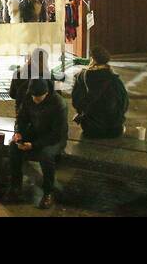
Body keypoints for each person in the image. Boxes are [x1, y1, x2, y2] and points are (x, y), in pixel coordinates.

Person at [7, 79, 68, 209]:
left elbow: (57, 134)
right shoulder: (29, 97)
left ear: (46, 93)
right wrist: (18, 133)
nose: (35, 100)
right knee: (13, 146)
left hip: (55, 139)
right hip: (36, 132)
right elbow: (21, 119)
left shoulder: (58, 104)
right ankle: (15, 187)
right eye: (34, 97)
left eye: (39, 97)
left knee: (46, 155)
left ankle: (48, 193)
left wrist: (33, 145)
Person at [69, 47, 128, 139]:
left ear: (93, 59)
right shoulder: (115, 80)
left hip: (91, 129)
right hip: (114, 129)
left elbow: (76, 102)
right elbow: (124, 103)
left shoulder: (81, 77)